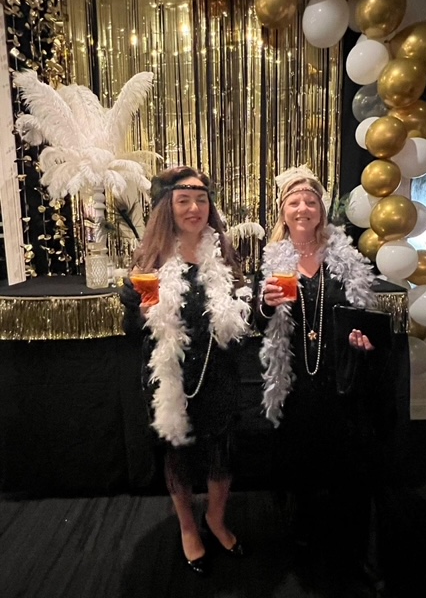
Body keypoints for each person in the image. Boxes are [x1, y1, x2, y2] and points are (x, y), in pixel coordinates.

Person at [120, 165, 251, 576]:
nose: (194, 208)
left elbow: (242, 317)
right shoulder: (151, 260)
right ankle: (188, 527)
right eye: (183, 200)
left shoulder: (225, 255)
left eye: (201, 200)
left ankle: (215, 518)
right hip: (171, 375)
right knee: (177, 453)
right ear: (168, 207)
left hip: (219, 371)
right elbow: (131, 330)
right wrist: (141, 312)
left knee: (221, 451)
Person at [255, 165, 383, 578]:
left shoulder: (345, 258)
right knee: (301, 460)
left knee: (346, 460)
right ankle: (305, 536)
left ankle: (350, 542)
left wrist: (363, 339)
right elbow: (260, 323)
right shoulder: (274, 261)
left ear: (321, 211)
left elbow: (363, 313)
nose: (303, 208)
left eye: (310, 201)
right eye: (294, 201)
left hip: (338, 373)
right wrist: (266, 305)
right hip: (296, 377)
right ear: (283, 211)